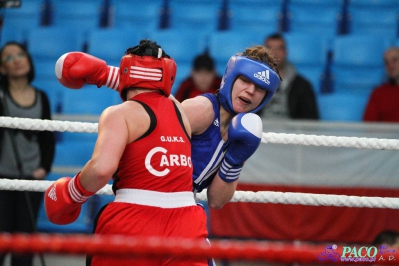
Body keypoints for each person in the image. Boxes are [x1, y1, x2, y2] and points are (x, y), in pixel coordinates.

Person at [54, 43, 281, 210]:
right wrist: (108, 76)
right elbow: (157, 116)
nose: (250, 91)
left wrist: (236, 159)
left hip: (183, 207)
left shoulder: (243, 133)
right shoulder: (204, 109)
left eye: (259, 88)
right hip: (152, 200)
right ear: (230, 78)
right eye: (245, 81)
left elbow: (217, 200)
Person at [45, 40, 209, 266]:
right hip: (188, 222)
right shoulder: (180, 112)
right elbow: (158, 96)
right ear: (168, 75)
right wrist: (104, 74)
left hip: (134, 219)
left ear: (126, 71)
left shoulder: (118, 114)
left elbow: (102, 169)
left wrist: (71, 193)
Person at [0, 41, 55, 266]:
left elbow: (48, 137)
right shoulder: (1, 95)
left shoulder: (41, 97)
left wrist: (44, 168)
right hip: (1, 180)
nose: (17, 60)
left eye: (20, 54)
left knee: (24, 245)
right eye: (8, 57)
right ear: (2, 68)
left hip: (31, 179)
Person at [259, 32, 319, 120]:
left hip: (291, 132)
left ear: (286, 52)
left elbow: (311, 120)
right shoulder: (254, 82)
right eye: (270, 49)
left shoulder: (302, 85)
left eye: (279, 48)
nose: (274, 53)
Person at [363, 47, 399, 123]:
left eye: (394, 60)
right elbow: (368, 126)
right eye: (386, 62)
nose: (390, 66)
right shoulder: (378, 93)